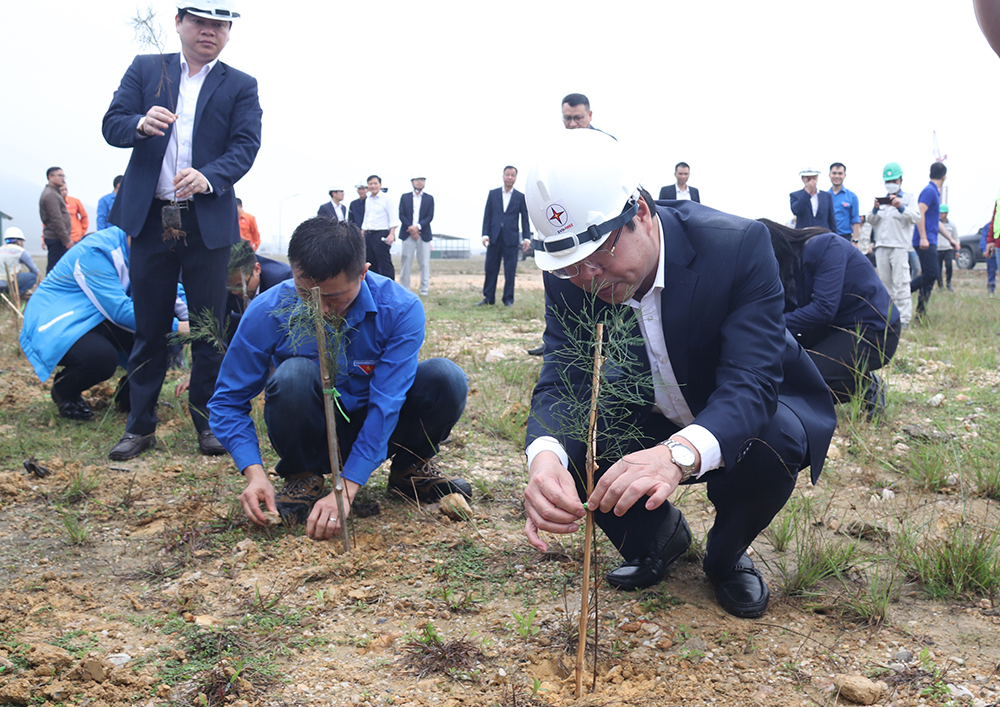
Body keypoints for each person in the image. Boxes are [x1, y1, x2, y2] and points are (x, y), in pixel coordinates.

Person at [522, 130, 835, 619]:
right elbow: (565, 371)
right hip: (648, 409)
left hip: (741, 410)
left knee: (778, 436)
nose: (587, 278)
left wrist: (676, 456)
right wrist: (545, 459)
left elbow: (752, 382)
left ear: (640, 214)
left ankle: (726, 557)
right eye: (568, 267)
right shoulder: (573, 272)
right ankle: (658, 541)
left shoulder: (736, 247)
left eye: (599, 254)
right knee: (577, 439)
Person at [209, 217, 471, 539]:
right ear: (293, 272)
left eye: (333, 298)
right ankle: (303, 476)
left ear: (363, 272)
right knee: (292, 375)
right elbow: (227, 400)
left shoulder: (401, 309)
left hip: (381, 429)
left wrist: (347, 488)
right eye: (307, 295)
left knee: (447, 378)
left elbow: (386, 405)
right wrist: (254, 472)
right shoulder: (268, 309)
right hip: (314, 429)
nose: (320, 309)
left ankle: (410, 470)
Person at [101, 0, 262, 461]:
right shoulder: (148, 69)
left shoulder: (240, 85)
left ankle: (209, 424)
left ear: (229, 33)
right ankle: (139, 426)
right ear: (178, 23)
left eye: (220, 25)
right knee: (150, 327)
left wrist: (209, 176)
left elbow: (245, 146)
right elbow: (112, 124)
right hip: (152, 220)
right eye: (200, 22)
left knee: (209, 329)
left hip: (205, 222)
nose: (210, 32)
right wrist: (138, 122)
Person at [19, 226, 188, 421]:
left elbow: (172, 290)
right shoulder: (96, 251)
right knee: (101, 359)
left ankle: (133, 396)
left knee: (161, 337)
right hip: (60, 322)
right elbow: (118, 310)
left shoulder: (147, 251)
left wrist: (197, 323)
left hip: (98, 319)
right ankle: (65, 390)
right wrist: (177, 326)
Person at [760, 219, 900, 419]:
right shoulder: (783, 269)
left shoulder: (825, 246)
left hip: (874, 331)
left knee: (806, 377)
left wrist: (770, 325)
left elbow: (824, 308)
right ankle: (855, 380)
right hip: (833, 329)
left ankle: (866, 385)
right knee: (785, 365)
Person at [869, 162, 920, 328]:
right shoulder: (881, 200)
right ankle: (888, 316)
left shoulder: (909, 198)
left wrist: (901, 207)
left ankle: (904, 319)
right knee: (885, 284)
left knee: (901, 282)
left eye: (894, 180)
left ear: (900, 179)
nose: (891, 183)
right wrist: (875, 209)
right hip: (882, 246)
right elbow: (871, 220)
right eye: (887, 180)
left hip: (899, 247)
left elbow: (915, 217)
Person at [477, 166, 531, 307]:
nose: (509, 177)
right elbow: (487, 215)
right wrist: (485, 234)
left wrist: (526, 238)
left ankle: (508, 299)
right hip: (494, 238)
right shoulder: (493, 194)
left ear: (515, 178)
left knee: (510, 270)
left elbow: (525, 219)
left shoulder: (520, 197)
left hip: (511, 239)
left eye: (512, 175)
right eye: (507, 174)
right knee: (490, 269)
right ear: (503, 176)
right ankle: (488, 298)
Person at [910, 162, 947, 320]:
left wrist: (950, 239)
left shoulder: (934, 192)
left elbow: (935, 221)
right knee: (933, 273)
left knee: (929, 276)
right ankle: (902, 291)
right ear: (944, 176)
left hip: (930, 239)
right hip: (924, 240)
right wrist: (923, 237)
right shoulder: (929, 191)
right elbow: (920, 213)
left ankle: (920, 311)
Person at [398, 175, 434, 296]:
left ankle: (424, 290)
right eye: (417, 180)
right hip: (407, 234)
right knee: (406, 262)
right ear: (412, 182)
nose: (420, 182)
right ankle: (404, 289)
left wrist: (417, 227)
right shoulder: (405, 197)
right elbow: (401, 214)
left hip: (423, 234)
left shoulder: (429, 198)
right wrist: (411, 229)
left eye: (422, 180)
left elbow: (430, 216)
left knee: (424, 263)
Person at [361, 175, 397, 279]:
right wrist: (362, 233)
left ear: (380, 185)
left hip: (381, 234)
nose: (373, 186)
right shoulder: (368, 200)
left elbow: (393, 218)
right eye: (370, 184)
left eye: (375, 183)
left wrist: (391, 234)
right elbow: (366, 218)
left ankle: (389, 288)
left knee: (384, 263)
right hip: (369, 234)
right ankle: (374, 288)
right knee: (370, 263)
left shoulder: (387, 199)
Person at [39, 166, 71, 273]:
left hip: (58, 237)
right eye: (60, 175)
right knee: (55, 268)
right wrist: (66, 240)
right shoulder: (51, 195)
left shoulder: (54, 193)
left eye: (63, 176)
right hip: (56, 238)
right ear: (50, 177)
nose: (63, 178)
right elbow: (56, 219)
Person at [0, 227, 39, 297]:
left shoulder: (1, 249)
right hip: (9, 284)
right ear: (18, 241)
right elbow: (35, 270)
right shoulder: (21, 251)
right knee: (33, 277)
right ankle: (18, 295)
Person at [828, 162, 860, 245]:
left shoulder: (852, 197)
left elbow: (855, 220)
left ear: (844, 175)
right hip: (827, 237)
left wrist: (855, 240)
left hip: (845, 238)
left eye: (840, 173)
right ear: (829, 175)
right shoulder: (824, 196)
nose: (837, 176)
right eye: (834, 173)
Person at [936, 204, 960, 291]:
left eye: (942, 213)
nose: (940, 215)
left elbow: (956, 237)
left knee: (949, 266)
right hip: (937, 249)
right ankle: (940, 285)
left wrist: (957, 250)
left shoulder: (951, 225)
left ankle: (948, 283)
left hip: (948, 249)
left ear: (946, 214)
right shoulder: (935, 224)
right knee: (938, 268)